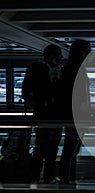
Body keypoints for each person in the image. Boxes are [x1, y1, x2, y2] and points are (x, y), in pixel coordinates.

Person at [22, 44, 63, 183]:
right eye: (58, 55)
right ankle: (48, 177)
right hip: (54, 115)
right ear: (52, 56)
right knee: (51, 148)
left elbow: (26, 91)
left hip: (41, 114)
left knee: (41, 147)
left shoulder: (36, 68)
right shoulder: (57, 71)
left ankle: (34, 177)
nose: (61, 58)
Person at [56, 39, 91, 184]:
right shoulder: (77, 69)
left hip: (71, 115)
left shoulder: (69, 68)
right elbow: (79, 95)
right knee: (71, 149)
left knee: (71, 149)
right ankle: (68, 178)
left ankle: (68, 179)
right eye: (88, 50)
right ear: (82, 52)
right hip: (76, 117)